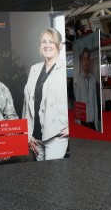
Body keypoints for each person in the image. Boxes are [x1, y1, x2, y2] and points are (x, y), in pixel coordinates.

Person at [22, 28, 69, 161]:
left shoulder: (64, 69)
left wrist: (71, 127)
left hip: (55, 135)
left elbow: (77, 99)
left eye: (51, 42)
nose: (47, 45)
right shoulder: (34, 69)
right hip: (35, 137)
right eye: (44, 42)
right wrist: (27, 133)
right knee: (40, 177)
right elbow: (27, 104)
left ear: (59, 46)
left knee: (53, 177)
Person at [75, 47, 99, 131]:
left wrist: (96, 122)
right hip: (83, 120)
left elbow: (95, 101)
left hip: (92, 121)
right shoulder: (78, 79)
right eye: (84, 59)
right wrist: (78, 122)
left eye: (87, 59)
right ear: (82, 61)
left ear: (89, 61)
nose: (86, 62)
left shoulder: (93, 79)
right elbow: (77, 101)